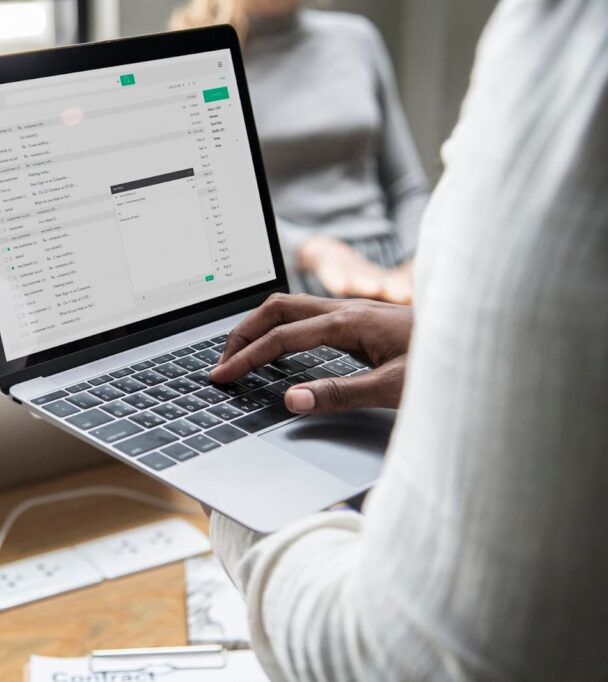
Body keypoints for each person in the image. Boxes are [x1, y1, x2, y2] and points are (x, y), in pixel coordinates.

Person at [205, 0, 608, 678]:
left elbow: (407, 658)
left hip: (399, 270)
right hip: (309, 275)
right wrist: (444, 338)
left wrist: (231, 493)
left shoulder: (571, 49)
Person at [171, 0, 429, 304]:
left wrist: (420, 264)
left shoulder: (358, 38)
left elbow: (407, 186)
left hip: (390, 271)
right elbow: (214, 208)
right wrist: (312, 251)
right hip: (288, 281)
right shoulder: (200, 54)